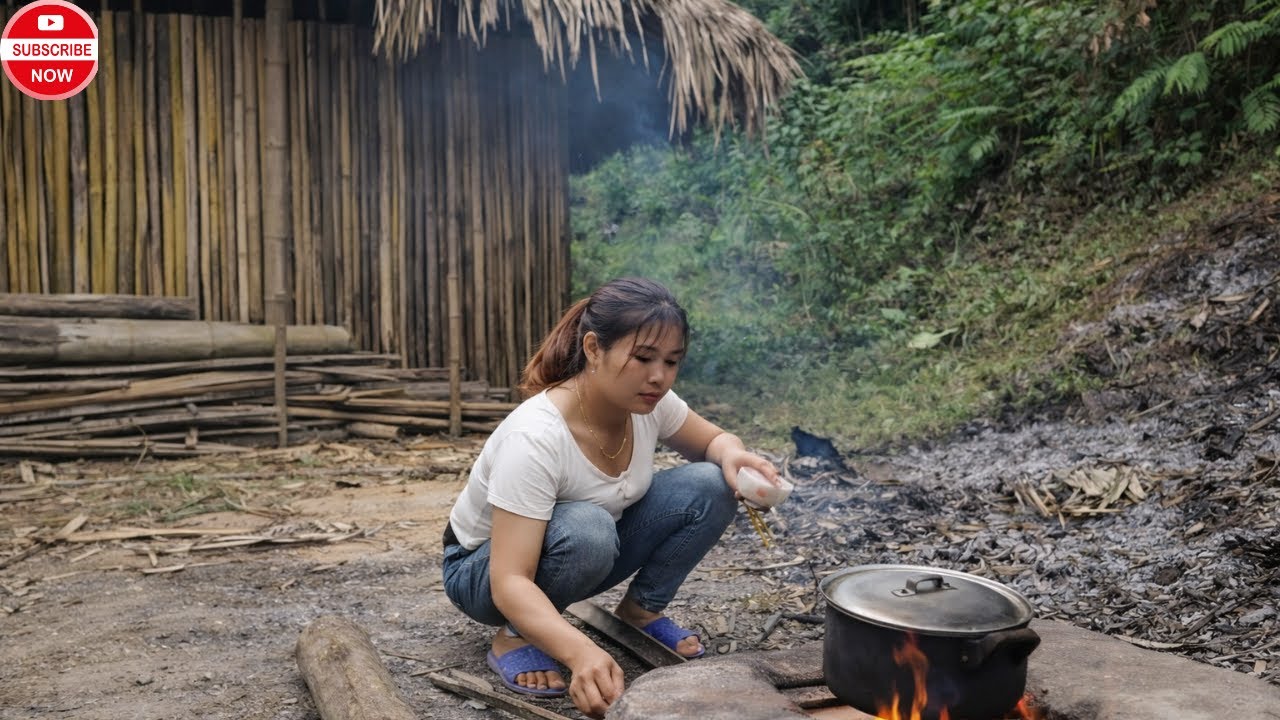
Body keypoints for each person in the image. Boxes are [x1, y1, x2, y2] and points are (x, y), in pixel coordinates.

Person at [441, 277, 782, 718]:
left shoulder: (651, 401)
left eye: (671, 361)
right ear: (593, 348)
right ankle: (514, 636)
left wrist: (735, 455)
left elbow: (714, 441)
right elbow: (509, 580)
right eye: (642, 358)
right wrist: (580, 652)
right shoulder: (536, 437)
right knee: (589, 528)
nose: (658, 376)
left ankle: (640, 614)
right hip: (481, 574)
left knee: (712, 484)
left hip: (585, 545)